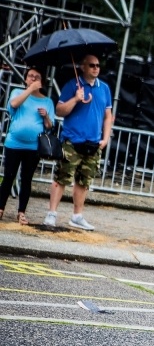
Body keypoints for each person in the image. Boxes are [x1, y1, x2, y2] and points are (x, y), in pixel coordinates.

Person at [43, 54, 113, 231]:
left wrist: (105, 138)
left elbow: (108, 116)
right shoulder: (72, 85)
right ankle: (52, 213)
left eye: (98, 65)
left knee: (84, 181)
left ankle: (77, 216)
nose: (96, 68)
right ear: (83, 67)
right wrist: (75, 98)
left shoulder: (104, 88)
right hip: (73, 140)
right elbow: (59, 111)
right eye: (92, 65)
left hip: (93, 143)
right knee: (62, 178)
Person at [0, 66, 54, 225]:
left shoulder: (47, 101)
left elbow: (50, 126)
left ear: (42, 82)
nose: (33, 79)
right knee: (8, 176)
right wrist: (29, 89)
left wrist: (46, 117)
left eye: (37, 77)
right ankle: (1, 207)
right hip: (14, 143)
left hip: (33, 146)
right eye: (30, 76)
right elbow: (14, 104)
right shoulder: (18, 92)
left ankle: (21, 212)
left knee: (26, 179)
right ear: (25, 79)